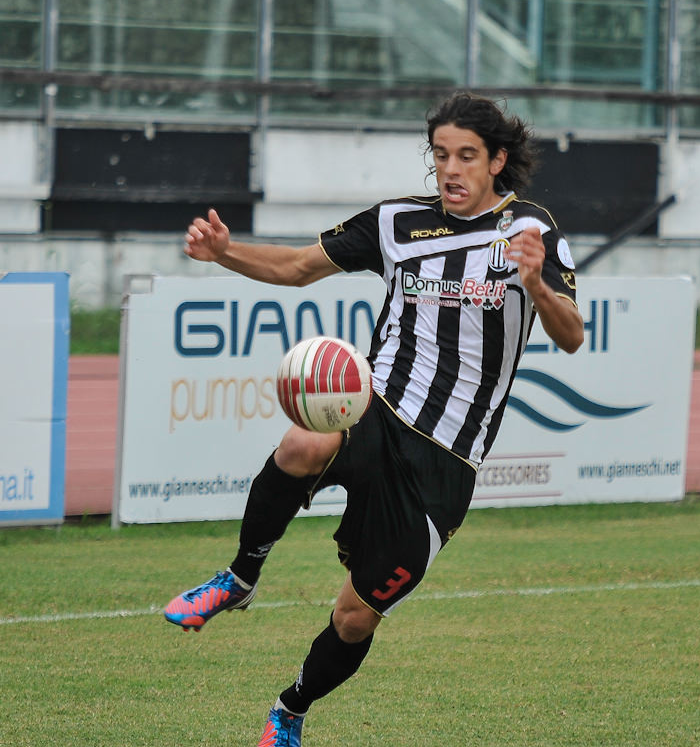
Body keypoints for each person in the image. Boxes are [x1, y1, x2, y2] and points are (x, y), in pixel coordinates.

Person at [162, 91, 584, 747]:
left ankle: (290, 709)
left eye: (466, 156)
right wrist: (224, 252)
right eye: (441, 154)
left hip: (446, 460)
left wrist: (534, 283)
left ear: (497, 160)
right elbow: (301, 266)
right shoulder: (398, 223)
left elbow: (571, 333)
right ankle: (239, 577)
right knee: (306, 437)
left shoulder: (532, 233)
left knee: (356, 615)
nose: (451, 169)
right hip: (378, 405)